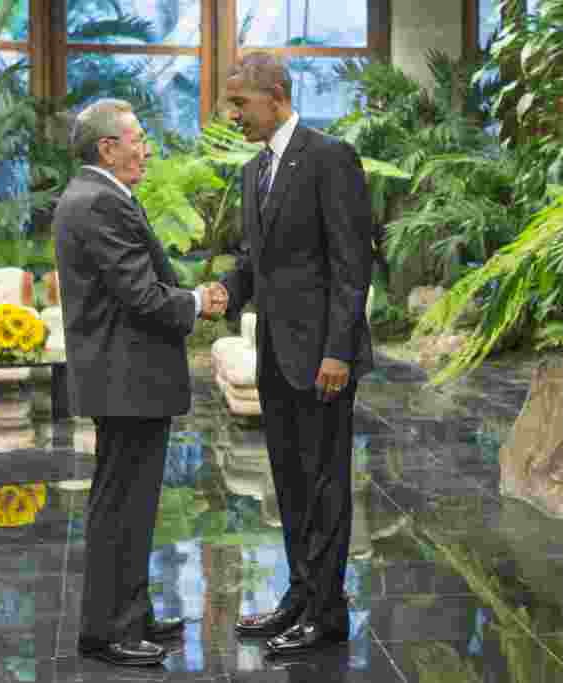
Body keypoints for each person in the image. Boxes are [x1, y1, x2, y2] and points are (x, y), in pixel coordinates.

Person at [53, 98, 227, 667]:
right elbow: (142, 295)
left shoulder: (96, 196)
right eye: (137, 139)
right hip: (125, 377)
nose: (145, 148)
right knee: (122, 506)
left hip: (126, 378)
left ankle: (131, 614)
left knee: (128, 504)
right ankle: (108, 632)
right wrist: (200, 301)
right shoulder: (98, 201)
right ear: (107, 148)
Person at [211, 52, 375, 655]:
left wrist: (339, 351)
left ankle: (327, 615)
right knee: (291, 482)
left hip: (322, 360)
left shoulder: (329, 157)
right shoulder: (257, 170)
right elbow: (257, 262)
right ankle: (301, 595)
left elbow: (351, 265)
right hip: (276, 353)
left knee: (327, 483)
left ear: (275, 96)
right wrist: (225, 291)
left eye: (240, 103)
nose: (234, 115)